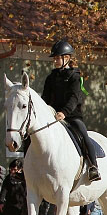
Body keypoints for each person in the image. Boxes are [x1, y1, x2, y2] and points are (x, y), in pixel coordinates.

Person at [42, 40, 100, 181]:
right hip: (53, 116)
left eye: (57, 58)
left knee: (83, 135)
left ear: (66, 58)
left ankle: (93, 167)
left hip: (71, 116)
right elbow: (45, 97)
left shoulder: (75, 77)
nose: (55, 60)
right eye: (54, 58)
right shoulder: (51, 78)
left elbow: (75, 97)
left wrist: (64, 112)